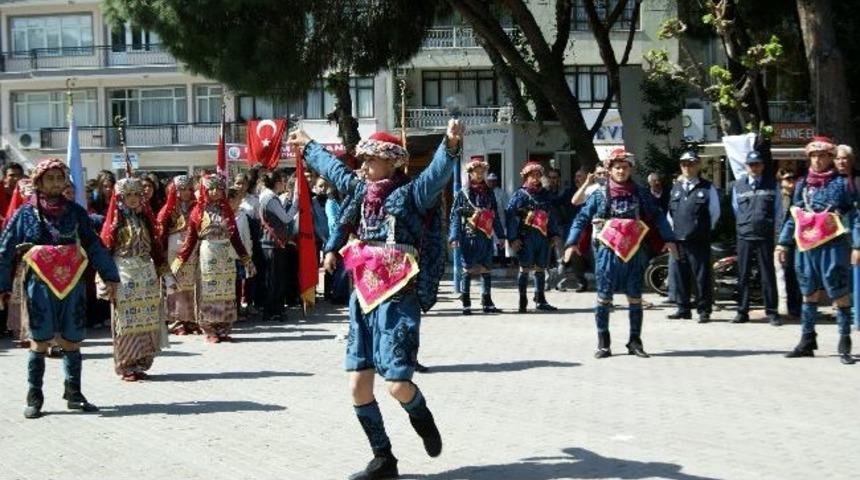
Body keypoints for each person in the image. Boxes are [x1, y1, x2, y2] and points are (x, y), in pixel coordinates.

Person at [288, 123, 458, 480]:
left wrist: (451, 144)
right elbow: (334, 169)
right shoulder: (359, 191)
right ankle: (384, 458)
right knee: (358, 384)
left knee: (397, 384)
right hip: (363, 294)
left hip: (398, 296)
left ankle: (421, 416)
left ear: (391, 163)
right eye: (361, 160)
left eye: (370, 160)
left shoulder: (412, 194)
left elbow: (438, 173)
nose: (362, 167)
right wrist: (308, 146)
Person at [0, 158, 120, 418]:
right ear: (38, 182)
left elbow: (93, 243)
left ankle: (73, 393)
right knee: (40, 340)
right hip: (39, 284)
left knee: (71, 340)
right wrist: (2, 285)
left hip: (72, 283)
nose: (55, 183)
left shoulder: (75, 211)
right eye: (50, 178)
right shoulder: (24, 213)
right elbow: (5, 250)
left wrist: (110, 275)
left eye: (59, 177)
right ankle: (34, 396)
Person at [564, 148, 677, 358]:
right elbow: (581, 219)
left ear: (630, 169)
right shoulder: (599, 194)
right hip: (606, 253)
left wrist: (669, 239)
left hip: (634, 252)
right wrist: (571, 243)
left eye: (625, 167)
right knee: (604, 297)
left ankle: (635, 342)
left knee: (635, 297)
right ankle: (603, 343)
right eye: (617, 167)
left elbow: (658, 216)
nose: (621, 171)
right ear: (609, 169)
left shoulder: (641, 193)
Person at [777, 137, 860, 365]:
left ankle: (844, 341)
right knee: (808, 292)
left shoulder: (842, 184)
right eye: (813, 156)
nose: (817, 160)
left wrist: (857, 245)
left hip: (833, 246)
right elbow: (794, 216)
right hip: (806, 246)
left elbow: (854, 216)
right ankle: (807, 340)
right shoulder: (803, 184)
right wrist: (782, 243)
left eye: (822, 155)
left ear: (830, 158)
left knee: (839, 293)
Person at [100, 178, 174, 381]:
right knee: (126, 320)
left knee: (148, 320)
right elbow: (104, 251)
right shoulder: (115, 222)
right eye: (128, 195)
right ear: (120, 197)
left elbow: (157, 249)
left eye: (136, 194)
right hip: (124, 272)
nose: (133, 199)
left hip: (146, 274)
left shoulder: (145, 219)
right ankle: (126, 364)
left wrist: (165, 274)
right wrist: (104, 279)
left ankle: (141, 361)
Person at [172, 175, 255, 343]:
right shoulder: (199, 212)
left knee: (226, 293)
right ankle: (210, 330)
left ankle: (223, 329)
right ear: (205, 190)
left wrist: (246, 259)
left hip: (226, 256)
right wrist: (178, 262)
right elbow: (191, 240)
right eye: (211, 189)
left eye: (218, 188)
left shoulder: (227, 212)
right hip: (207, 255)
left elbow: (235, 238)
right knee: (208, 293)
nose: (215, 192)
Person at [667, 151, 721, 323]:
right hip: (679, 240)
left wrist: (702, 230)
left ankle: (704, 310)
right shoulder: (675, 188)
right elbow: (670, 214)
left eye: (691, 163)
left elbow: (715, 213)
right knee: (680, 275)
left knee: (702, 277)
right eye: (684, 164)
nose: (687, 167)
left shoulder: (707, 187)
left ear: (697, 165)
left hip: (699, 240)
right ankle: (683, 308)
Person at [449, 157, 506, 315]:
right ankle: (466, 302)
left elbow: (495, 216)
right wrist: (454, 237)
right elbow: (454, 216)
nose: (480, 175)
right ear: (470, 173)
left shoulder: (489, 193)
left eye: (482, 172)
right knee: (468, 269)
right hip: (469, 235)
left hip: (486, 235)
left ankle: (486, 300)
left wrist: (501, 236)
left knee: (486, 268)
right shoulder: (463, 193)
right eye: (476, 172)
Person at [731, 151, 781, 325]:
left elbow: (778, 211)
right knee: (743, 275)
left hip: (764, 235)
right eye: (751, 164)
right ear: (746, 166)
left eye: (757, 164)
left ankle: (772, 312)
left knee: (767, 275)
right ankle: (742, 311)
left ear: (762, 166)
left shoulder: (772, 185)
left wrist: (776, 234)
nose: (754, 167)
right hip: (744, 235)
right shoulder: (738, 185)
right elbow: (735, 209)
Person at [507, 161, 561, 312]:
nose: (536, 179)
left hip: (543, 238)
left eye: (538, 175)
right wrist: (512, 238)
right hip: (526, 237)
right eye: (532, 176)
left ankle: (541, 299)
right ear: (526, 177)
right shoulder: (519, 195)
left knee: (540, 268)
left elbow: (551, 216)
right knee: (524, 268)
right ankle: (522, 300)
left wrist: (554, 234)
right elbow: (511, 218)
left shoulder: (545, 195)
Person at [157, 175, 200, 335]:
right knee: (175, 285)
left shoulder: (197, 207)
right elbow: (161, 230)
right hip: (173, 251)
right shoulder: (168, 208)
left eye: (189, 189)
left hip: (193, 249)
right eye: (181, 189)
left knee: (192, 284)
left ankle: (191, 319)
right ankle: (176, 321)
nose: (186, 192)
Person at [258, 169, 298, 321]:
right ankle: (274, 310)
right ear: (277, 183)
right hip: (273, 243)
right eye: (282, 181)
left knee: (273, 279)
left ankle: (272, 309)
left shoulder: (266, 196)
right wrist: (296, 203)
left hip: (269, 242)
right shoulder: (271, 199)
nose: (284, 184)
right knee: (276, 279)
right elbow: (286, 218)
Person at [774, 168, 802, 320]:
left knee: (794, 274)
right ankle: (783, 307)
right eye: (788, 179)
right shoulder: (778, 198)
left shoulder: (799, 196)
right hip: (780, 241)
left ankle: (794, 307)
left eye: (793, 179)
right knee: (782, 274)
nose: (791, 182)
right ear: (781, 182)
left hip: (797, 241)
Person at [486, 172, 508, 266]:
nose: (491, 183)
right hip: (488, 221)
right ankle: (490, 261)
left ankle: (502, 261)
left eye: (493, 181)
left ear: (496, 182)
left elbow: (506, 207)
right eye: (490, 181)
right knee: (489, 241)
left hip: (500, 220)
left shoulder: (501, 192)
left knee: (500, 241)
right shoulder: (485, 192)